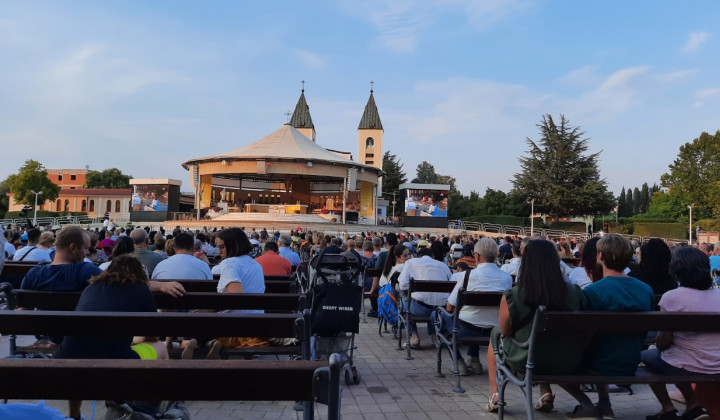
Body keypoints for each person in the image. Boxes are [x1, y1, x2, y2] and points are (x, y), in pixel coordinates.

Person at [485, 239, 586, 413]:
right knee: (544, 339)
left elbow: (506, 331)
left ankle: (495, 393)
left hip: (527, 359)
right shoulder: (574, 293)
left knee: (496, 333)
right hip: (567, 359)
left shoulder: (514, 295)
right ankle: (545, 391)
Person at [561, 234, 654, 419]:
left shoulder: (593, 292)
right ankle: (604, 405)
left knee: (558, 360)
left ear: (600, 256)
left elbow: (585, 334)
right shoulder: (646, 289)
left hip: (598, 363)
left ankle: (587, 405)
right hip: (630, 361)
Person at [641, 247, 718, 420]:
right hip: (717, 364)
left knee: (648, 357)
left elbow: (663, 341)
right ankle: (692, 407)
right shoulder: (719, 297)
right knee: (675, 357)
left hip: (687, 365)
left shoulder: (671, 298)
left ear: (676, 270)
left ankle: (672, 408)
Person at [435, 237, 513, 376]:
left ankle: (459, 361)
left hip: (466, 330)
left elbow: (449, 308)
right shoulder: (506, 277)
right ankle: (474, 359)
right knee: (475, 316)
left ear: (477, 256)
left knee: (441, 317)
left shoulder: (467, 275)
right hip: (495, 331)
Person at [397, 246, 453, 349]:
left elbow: (403, 285)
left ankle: (414, 336)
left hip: (421, 309)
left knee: (404, 302)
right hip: (441, 310)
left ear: (418, 256)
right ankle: (434, 336)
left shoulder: (410, 263)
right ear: (432, 256)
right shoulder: (443, 265)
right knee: (433, 303)